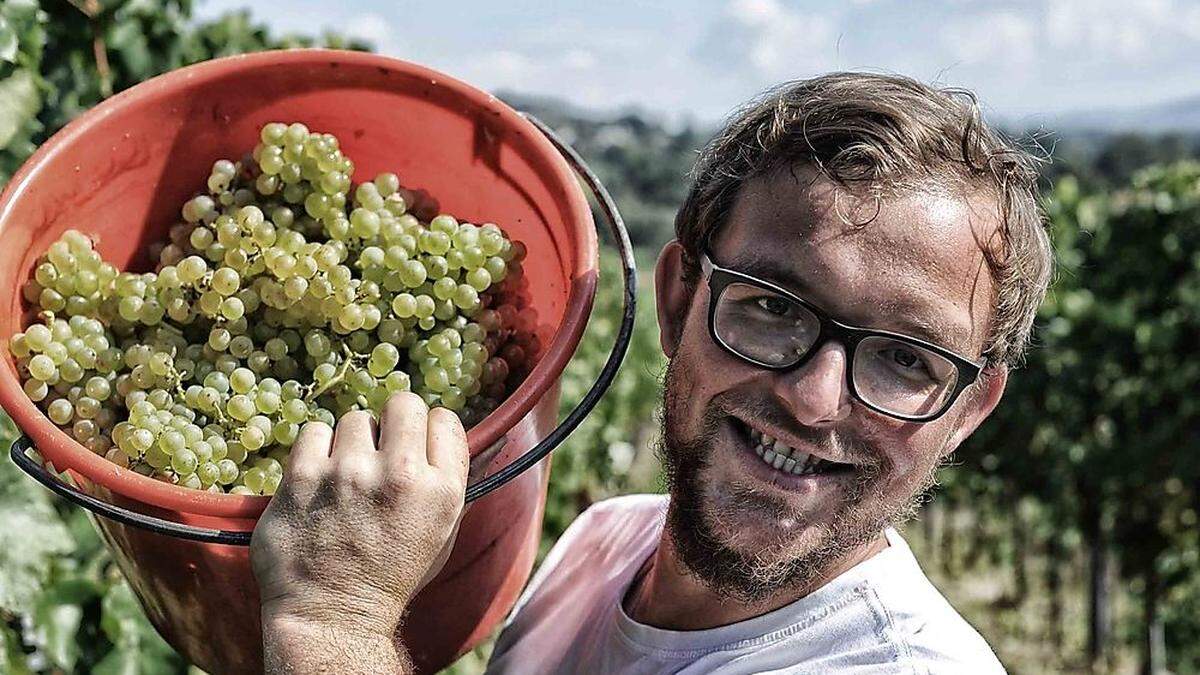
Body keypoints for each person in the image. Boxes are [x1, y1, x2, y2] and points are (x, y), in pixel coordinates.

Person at [249, 72, 1053, 674]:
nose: (814, 398)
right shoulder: (598, 546)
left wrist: (336, 624)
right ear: (676, 301)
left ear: (967, 410)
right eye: (773, 308)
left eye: (906, 358)